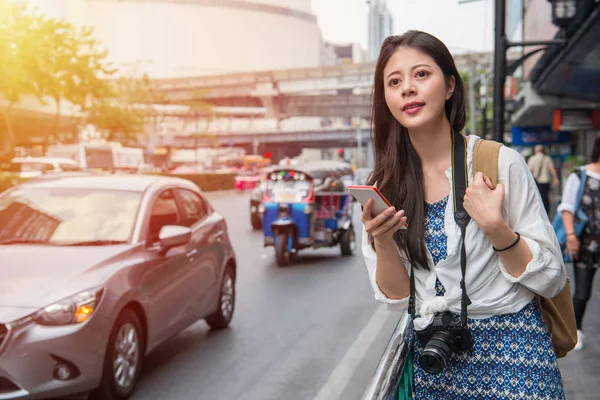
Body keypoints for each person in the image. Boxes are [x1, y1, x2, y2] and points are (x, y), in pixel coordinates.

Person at [360, 31, 567, 398]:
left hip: (514, 357)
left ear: (450, 85)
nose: (408, 88)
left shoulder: (498, 162)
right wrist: (382, 241)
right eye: (394, 81)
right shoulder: (384, 185)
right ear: (386, 98)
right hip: (434, 361)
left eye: (421, 74)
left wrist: (496, 229)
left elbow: (551, 279)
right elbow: (397, 298)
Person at [558, 135, 600, 350]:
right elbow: (567, 208)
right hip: (587, 244)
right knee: (582, 292)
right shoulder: (580, 175)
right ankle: (576, 330)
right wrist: (571, 236)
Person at [528, 144, 560, 214]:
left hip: (536, 181)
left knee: (537, 197)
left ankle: (539, 212)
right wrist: (556, 178)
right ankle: (546, 212)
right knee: (545, 197)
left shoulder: (532, 159)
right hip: (546, 181)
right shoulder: (547, 158)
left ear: (535, 151)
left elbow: (529, 171)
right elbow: (552, 169)